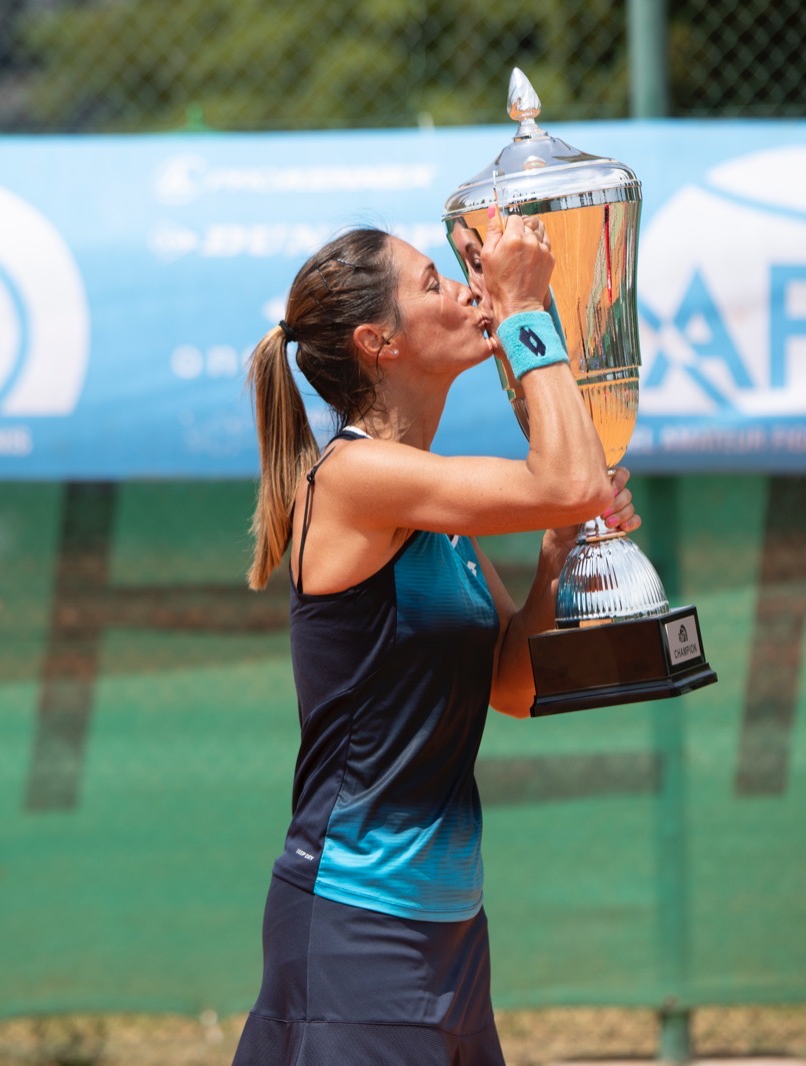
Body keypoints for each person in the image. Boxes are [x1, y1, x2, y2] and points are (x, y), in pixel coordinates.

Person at [231, 211, 640, 1065]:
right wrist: (527, 307)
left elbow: (514, 689)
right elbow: (570, 478)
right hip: (353, 927)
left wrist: (554, 563)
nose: (464, 288)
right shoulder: (354, 477)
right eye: (434, 282)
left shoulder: (430, 505)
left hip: (451, 929)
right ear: (380, 342)